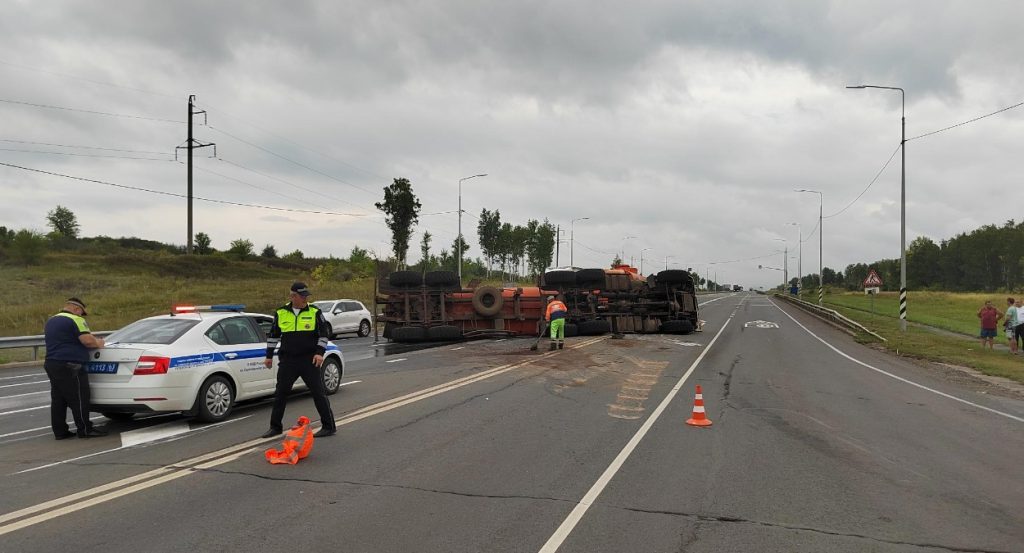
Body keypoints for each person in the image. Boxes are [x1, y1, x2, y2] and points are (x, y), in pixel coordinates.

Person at [261, 282, 337, 438]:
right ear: (293, 296)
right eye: (302, 296)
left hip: (309, 360)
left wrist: (319, 353)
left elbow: (324, 334)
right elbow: (274, 336)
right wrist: (268, 356)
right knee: (280, 393)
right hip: (288, 360)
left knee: (318, 393)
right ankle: (275, 427)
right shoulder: (281, 312)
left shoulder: (315, 312)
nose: (305, 299)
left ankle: (329, 426)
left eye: (306, 296)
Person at [43, 297, 107, 439]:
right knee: (79, 397)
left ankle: (60, 431)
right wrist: (99, 342)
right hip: (71, 365)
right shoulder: (76, 319)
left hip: (52, 363)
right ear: (77, 309)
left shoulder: (51, 320)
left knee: (59, 399)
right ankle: (85, 429)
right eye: (81, 312)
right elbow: (88, 341)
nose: (81, 315)